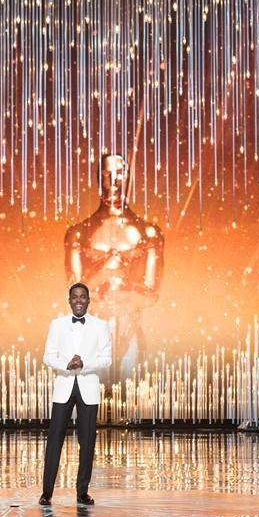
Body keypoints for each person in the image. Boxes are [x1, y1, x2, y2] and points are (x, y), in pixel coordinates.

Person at [64, 154, 163, 382]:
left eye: (120, 174)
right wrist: (108, 272)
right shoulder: (79, 234)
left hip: (130, 331)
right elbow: (75, 293)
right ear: (99, 178)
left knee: (130, 399)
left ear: (129, 179)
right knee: (93, 400)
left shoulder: (147, 233)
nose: (114, 182)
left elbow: (150, 294)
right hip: (91, 334)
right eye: (108, 175)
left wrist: (118, 284)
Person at [39, 283, 112, 506]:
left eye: (83, 297)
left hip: (88, 389)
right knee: (54, 440)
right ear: (69, 300)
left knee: (87, 441)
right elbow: (48, 356)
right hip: (63, 387)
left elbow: (106, 359)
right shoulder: (57, 324)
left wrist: (84, 364)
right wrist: (66, 365)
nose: (79, 300)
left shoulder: (101, 326)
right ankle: (46, 493)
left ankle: (82, 492)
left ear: (89, 300)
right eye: (74, 297)